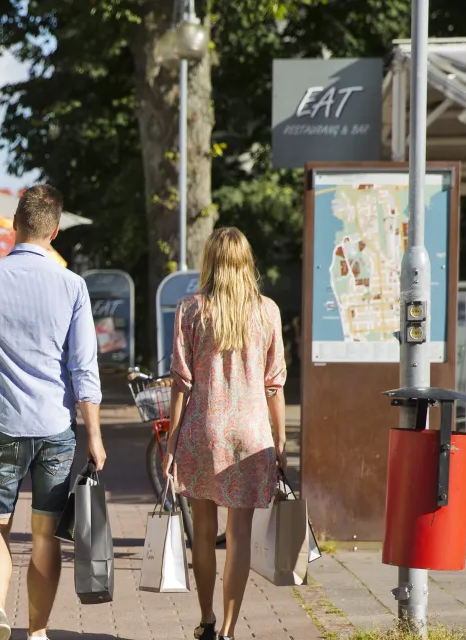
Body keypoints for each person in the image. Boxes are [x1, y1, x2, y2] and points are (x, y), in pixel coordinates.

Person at [0, 185, 106, 640]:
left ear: (14, 225)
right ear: (53, 232)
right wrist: (95, 435)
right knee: (46, 534)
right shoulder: (72, 286)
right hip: (54, 427)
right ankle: (39, 632)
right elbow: (83, 369)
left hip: (3, 425)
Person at [164, 228, 286, 640]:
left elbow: (181, 381)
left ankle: (207, 621)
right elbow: (275, 384)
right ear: (246, 261)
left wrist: (170, 440)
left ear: (210, 261)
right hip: (252, 434)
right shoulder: (268, 311)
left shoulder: (191, 309)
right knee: (239, 536)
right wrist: (282, 440)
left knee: (202, 530)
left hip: (204, 431)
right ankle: (233, 630)